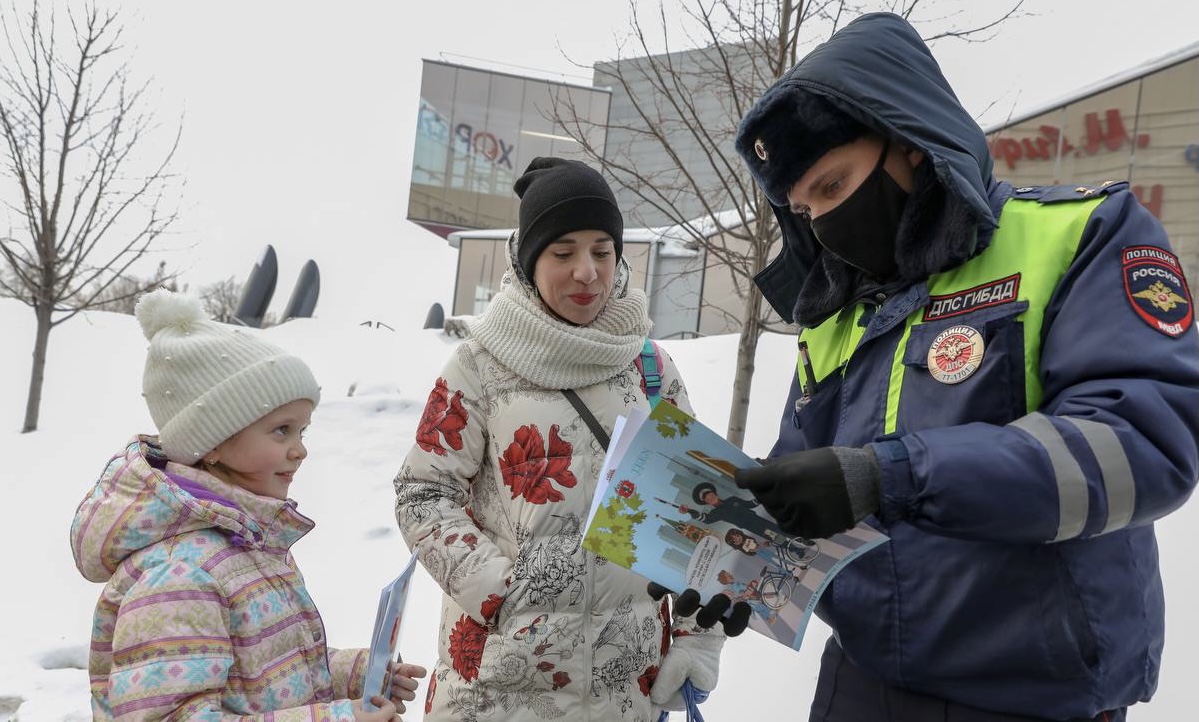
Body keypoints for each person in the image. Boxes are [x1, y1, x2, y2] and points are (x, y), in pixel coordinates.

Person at [729, 12, 1199, 722]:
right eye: (802, 208)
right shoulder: (837, 309)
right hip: (861, 684)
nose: (822, 224)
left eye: (832, 185)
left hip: (1035, 694)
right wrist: (732, 554)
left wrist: (892, 475)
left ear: (910, 142)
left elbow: (1143, 446)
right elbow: (804, 484)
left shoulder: (1081, 236)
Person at [394, 157, 738, 722]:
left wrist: (699, 635)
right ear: (529, 262)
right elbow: (421, 494)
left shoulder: (649, 369)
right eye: (563, 253)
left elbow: (698, 508)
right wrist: (499, 592)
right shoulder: (480, 366)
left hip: (623, 689)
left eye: (602, 251)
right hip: (499, 689)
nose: (587, 272)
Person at [70, 289, 428, 721]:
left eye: (302, 431)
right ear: (214, 443)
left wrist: (356, 675)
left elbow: (268, 674)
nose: (300, 451)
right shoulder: (179, 575)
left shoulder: (248, 545)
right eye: (281, 431)